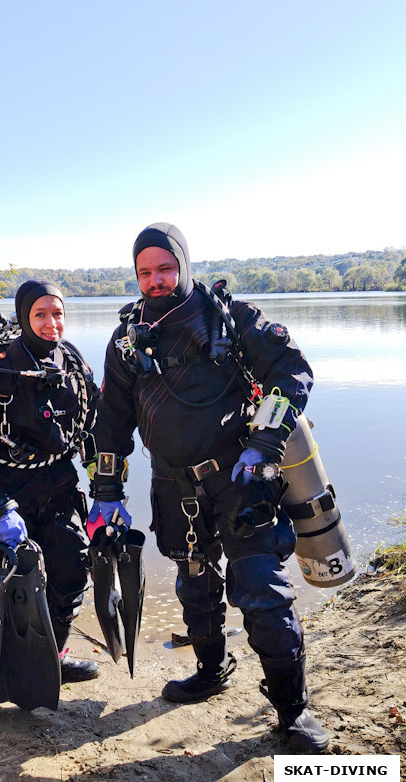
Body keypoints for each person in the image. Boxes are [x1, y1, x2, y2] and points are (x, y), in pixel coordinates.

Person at [89, 222, 329, 753]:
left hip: (241, 479)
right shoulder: (127, 339)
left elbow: (293, 372)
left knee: (262, 592)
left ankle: (294, 711)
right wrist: (105, 493)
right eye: (145, 272)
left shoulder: (231, 317)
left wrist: (265, 442)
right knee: (193, 581)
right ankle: (211, 668)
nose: (156, 280)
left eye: (166, 268)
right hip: (174, 487)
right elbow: (111, 421)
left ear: (185, 265)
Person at [0, 280, 100, 683]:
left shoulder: (73, 364)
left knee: (71, 572)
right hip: (2, 496)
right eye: (40, 314)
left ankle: (52, 657)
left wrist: (106, 492)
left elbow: (94, 429)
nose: (52, 323)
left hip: (57, 490)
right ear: (23, 317)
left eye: (58, 313)